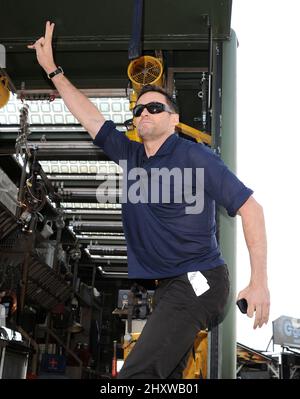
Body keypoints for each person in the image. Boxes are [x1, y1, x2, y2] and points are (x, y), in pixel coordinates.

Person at [28, 21, 270, 379]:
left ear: (174, 118)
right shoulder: (131, 155)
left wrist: (259, 281)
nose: (143, 113)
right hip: (168, 286)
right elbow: (89, 116)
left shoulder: (195, 157)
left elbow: (251, 208)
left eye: (154, 108)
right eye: (138, 110)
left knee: (134, 377)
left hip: (198, 279)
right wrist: (53, 70)